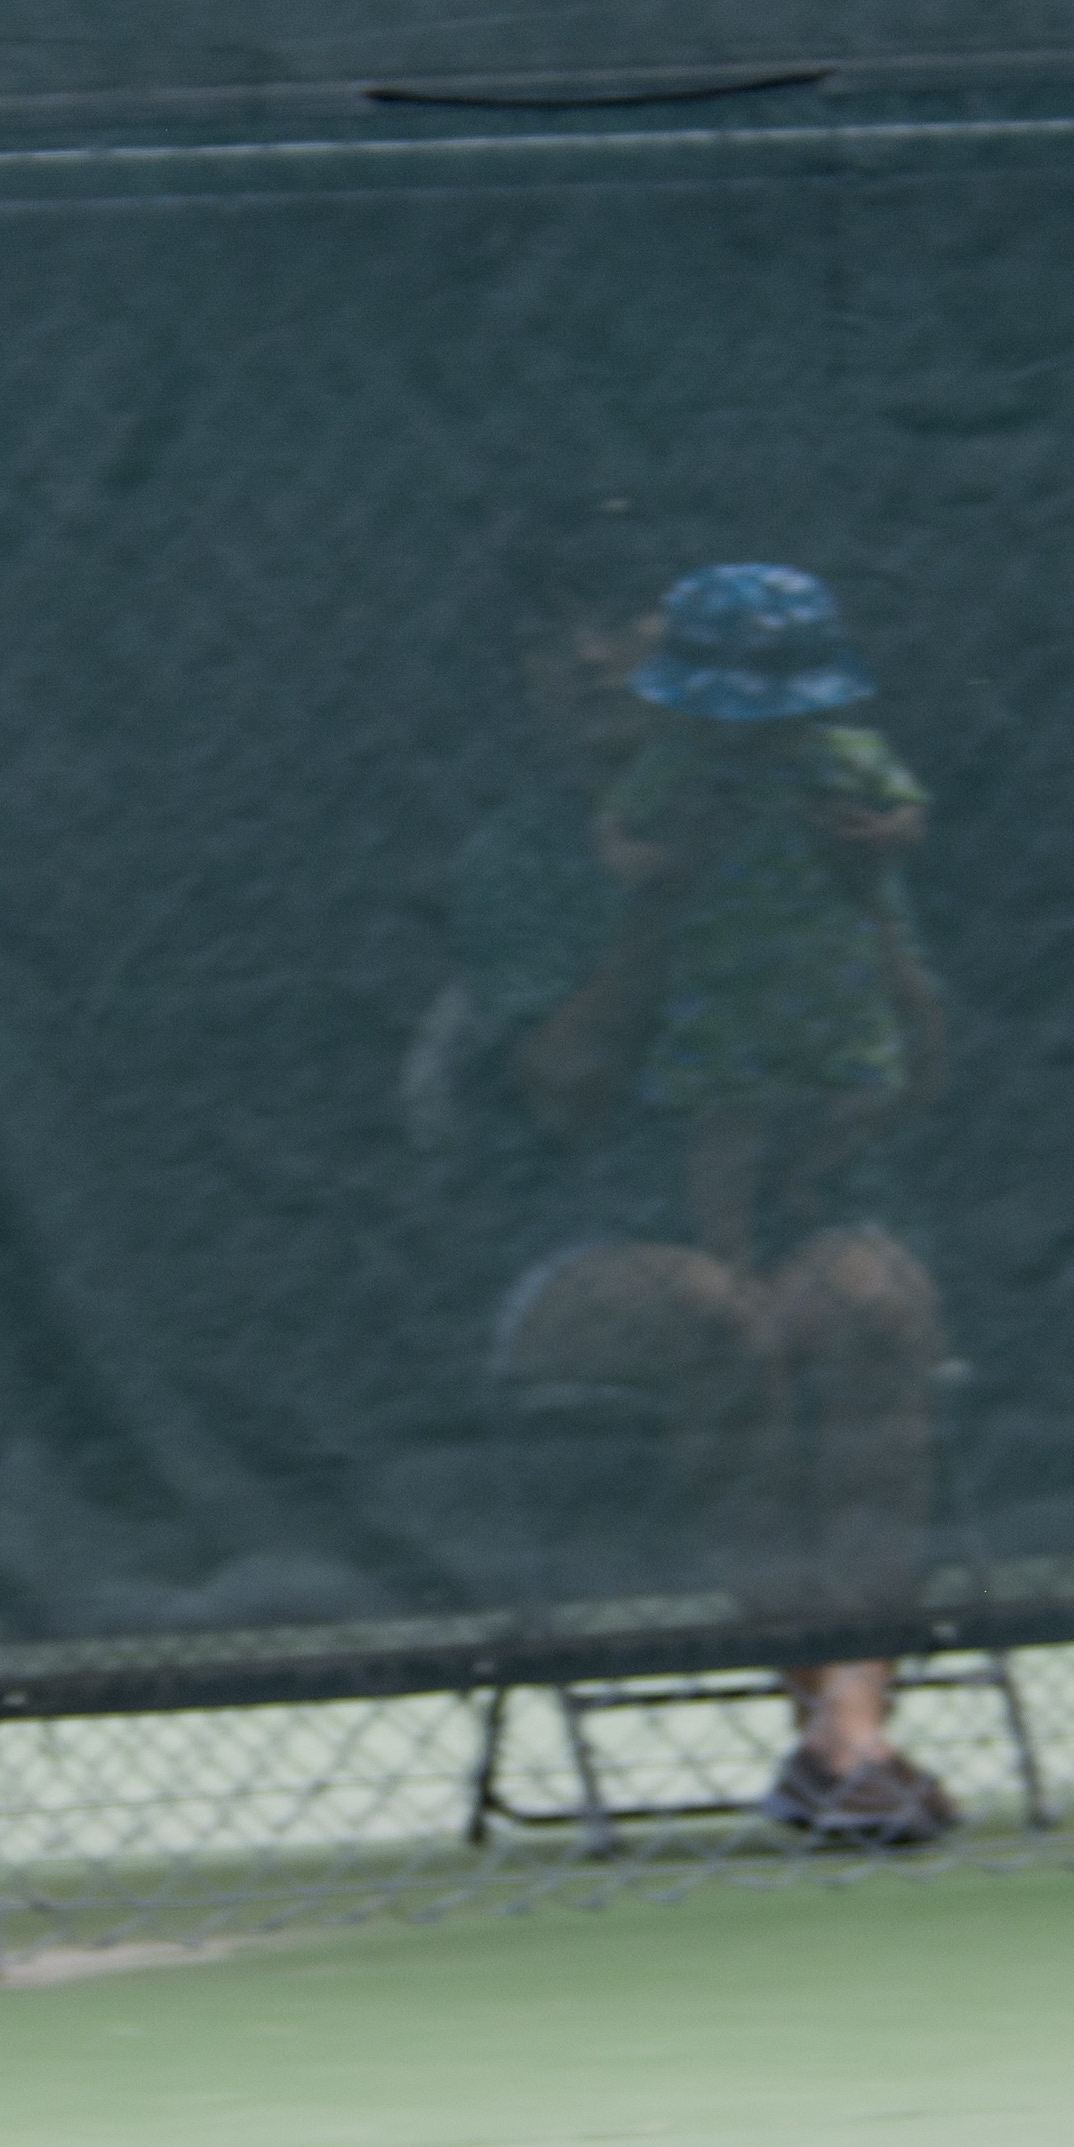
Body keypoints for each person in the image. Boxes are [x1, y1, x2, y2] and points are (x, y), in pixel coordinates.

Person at [423, 527, 959, 1842]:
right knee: (716, 1314)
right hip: (583, 1249)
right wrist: (656, 898)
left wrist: (868, 893)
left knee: (871, 1307)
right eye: (550, 636)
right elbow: (562, 1091)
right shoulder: (517, 859)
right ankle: (836, 1739)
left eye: (617, 622)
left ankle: (844, 1737)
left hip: (817, 1209)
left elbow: (916, 1070)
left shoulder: (826, 795)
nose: (589, 657)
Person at [592, 565, 945, 1274]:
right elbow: (614, 829)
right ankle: (728, 1250)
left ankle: (804, 1172)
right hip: (727, 986)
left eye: (770, 716)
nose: (748, 735)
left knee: (868, 1091)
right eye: (726, 716)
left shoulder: (850, 757)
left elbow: (910, 813)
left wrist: (882, 839)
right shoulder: (675, 765)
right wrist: (653, 863)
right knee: (726, 1125)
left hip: (831, 981)